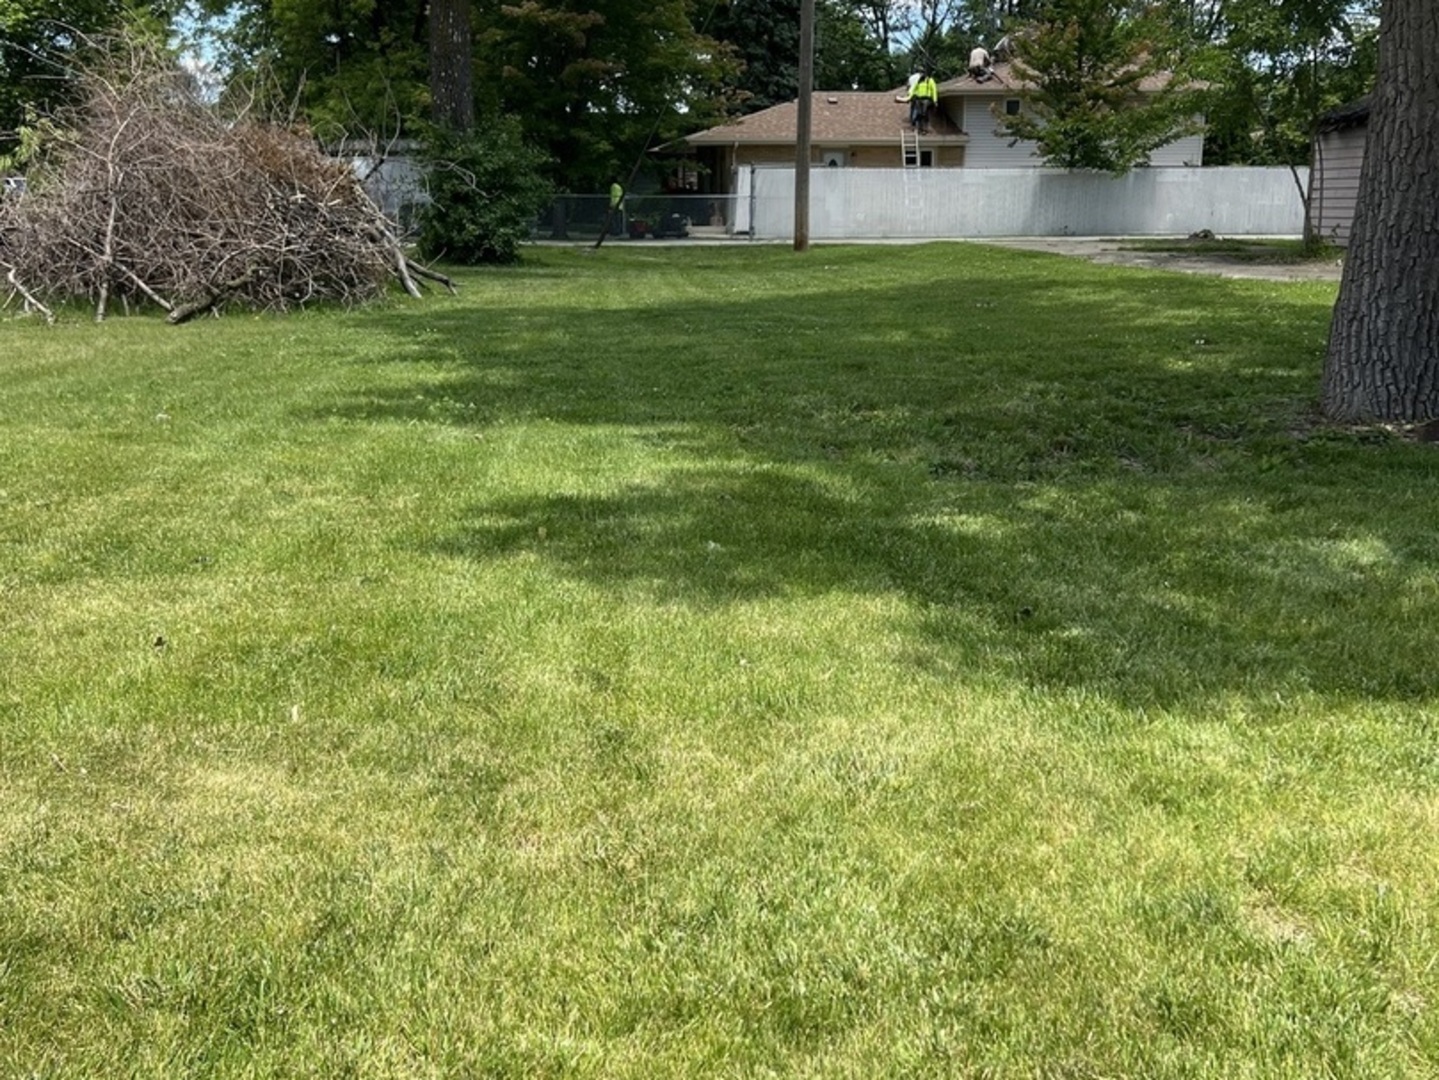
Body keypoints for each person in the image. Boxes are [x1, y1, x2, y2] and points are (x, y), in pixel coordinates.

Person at [905, 69, 939, 134]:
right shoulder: (919, 81)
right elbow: (913, 89)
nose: (921, 75)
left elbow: (934, 90)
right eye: (920, 73)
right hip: (919, 99)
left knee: (924, 113)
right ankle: (920, 129)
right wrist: (909, 95)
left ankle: (925, 129)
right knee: (919, 114)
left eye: (922, 73)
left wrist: (935, 101)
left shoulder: (930, 81)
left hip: (926, 99)